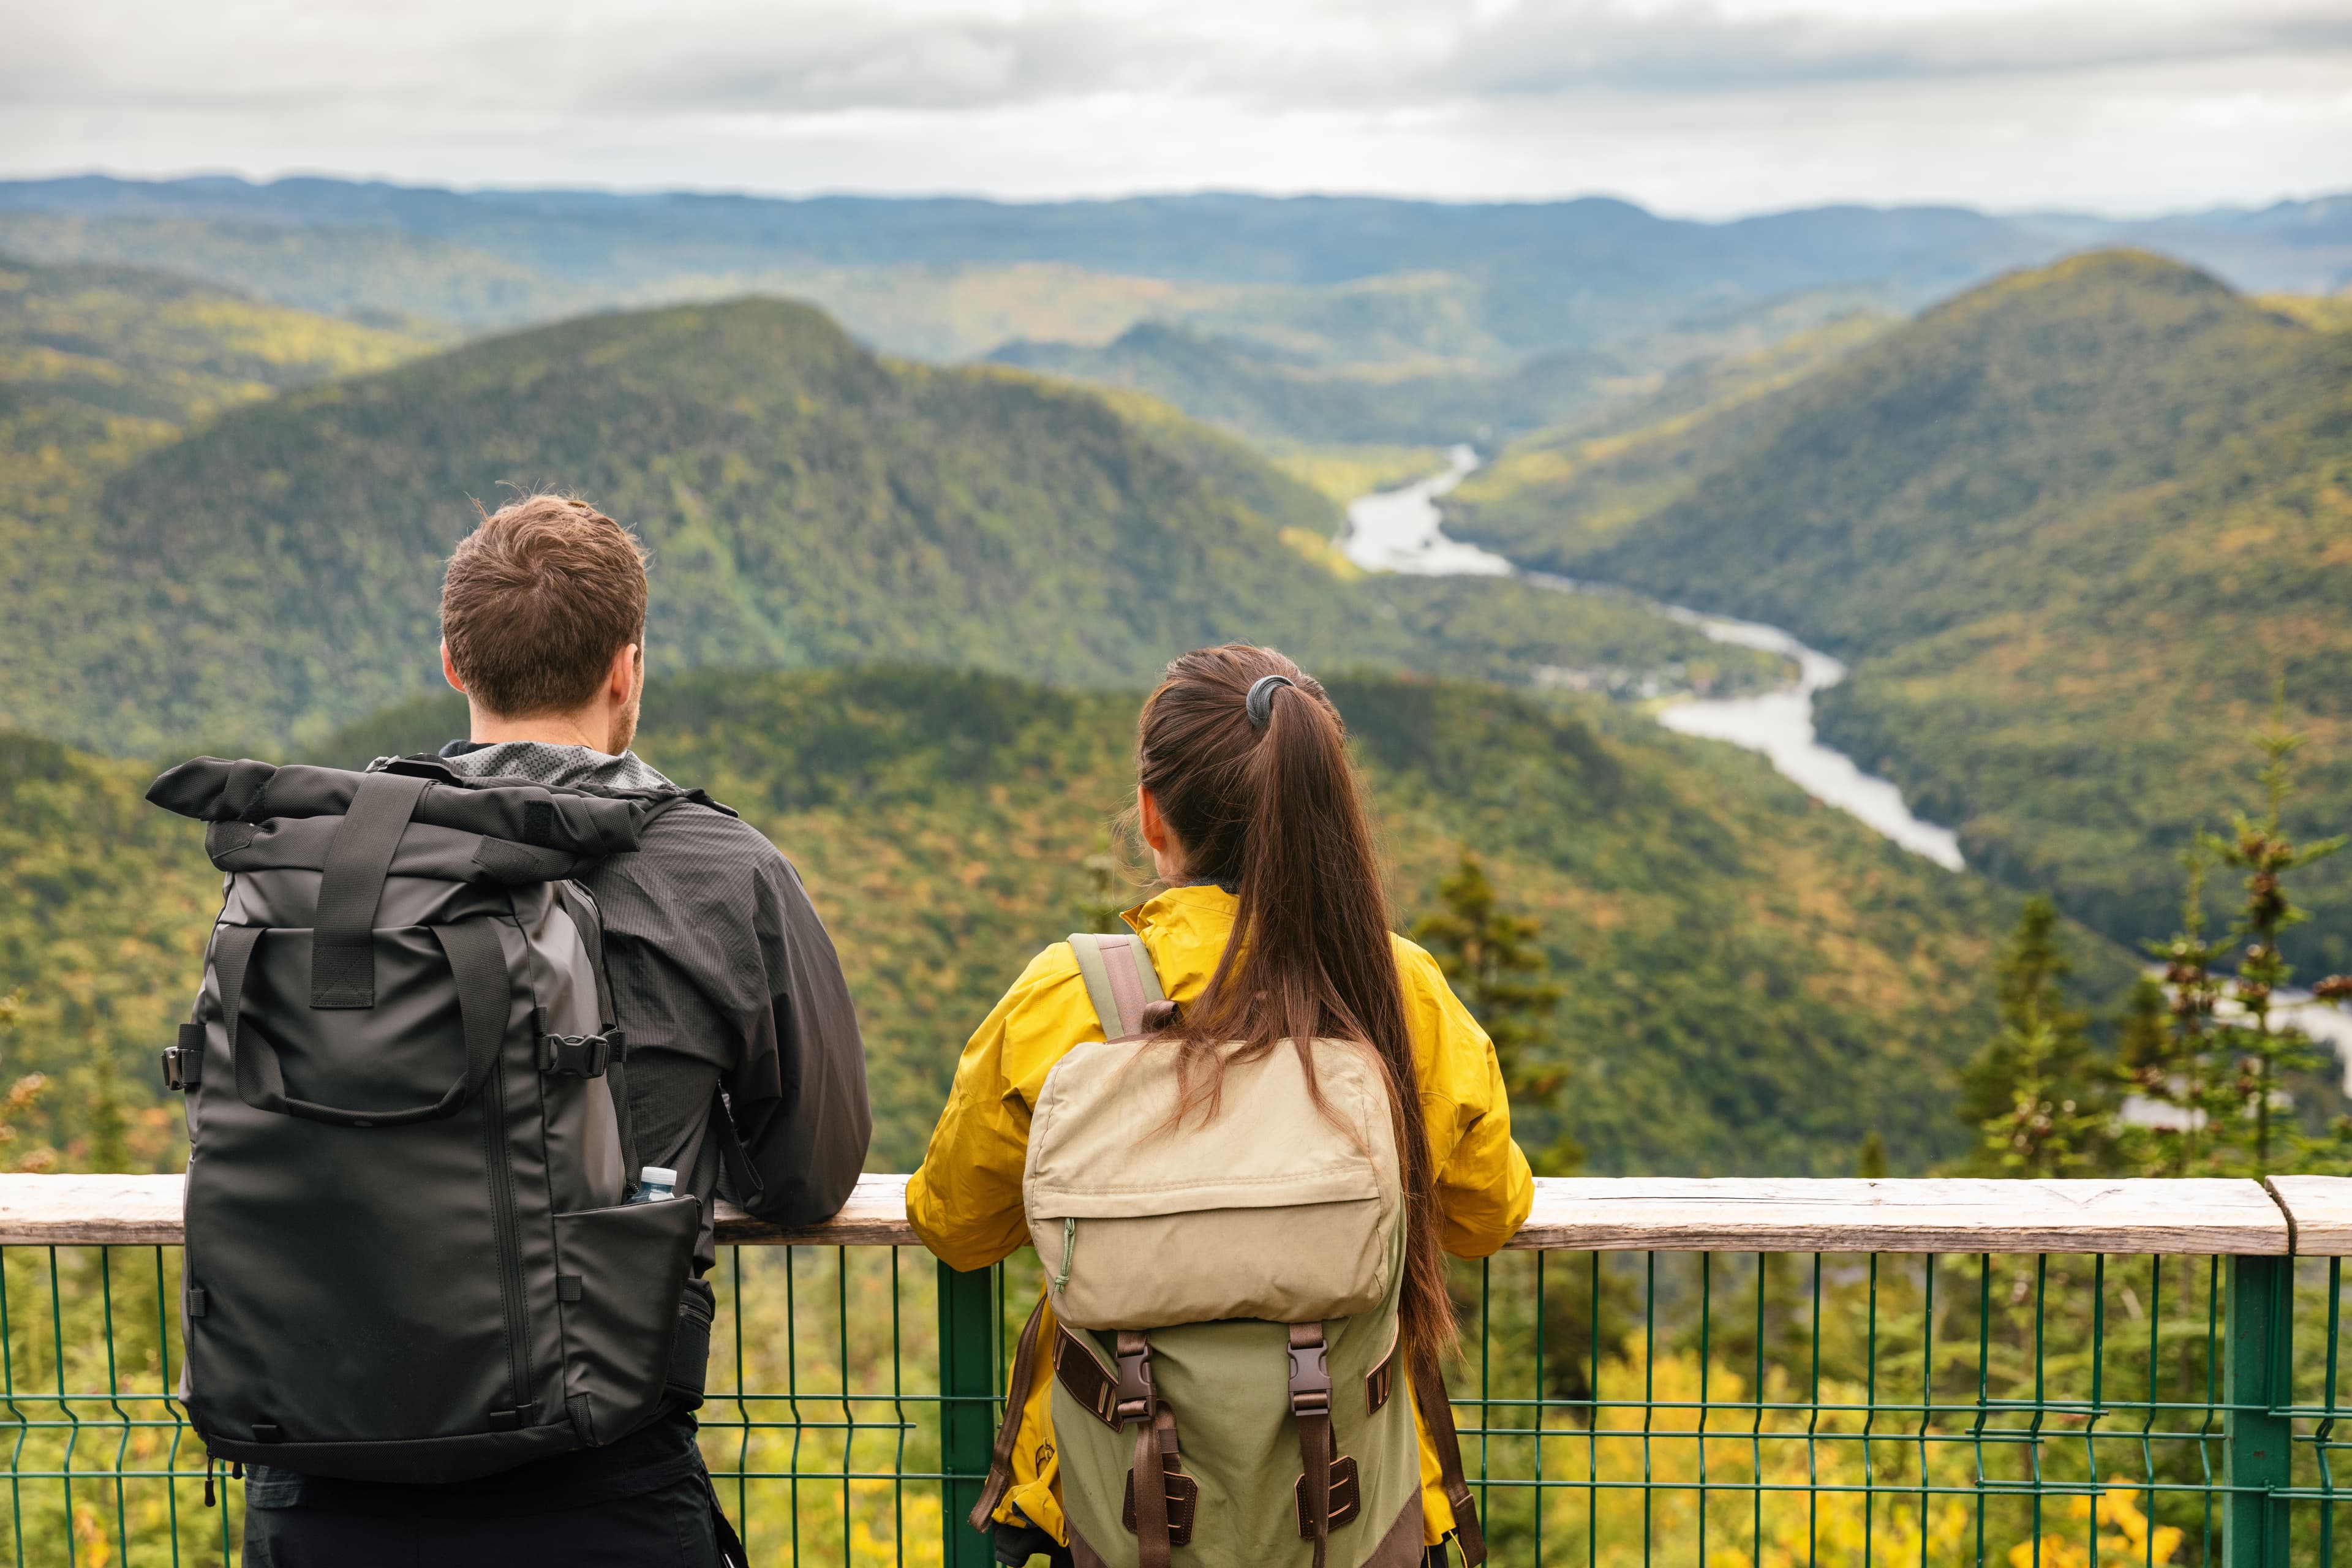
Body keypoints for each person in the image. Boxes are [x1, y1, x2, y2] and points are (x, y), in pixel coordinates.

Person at [240, 494, 873, 1566]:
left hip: (320, 1475)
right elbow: (809, 1173)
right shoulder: (724, 874)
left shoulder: (319, 866)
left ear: (453, 661)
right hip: (602, 1476)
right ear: (626, 669)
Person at [907, 644, 1534, 1568]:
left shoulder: (1068, 999)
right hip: (1354, 1510)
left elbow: (956, 1225)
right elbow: (1489, 1214)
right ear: (1320, 809)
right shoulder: (1397, 992)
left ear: (1154, 818)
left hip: (1113, 1505)